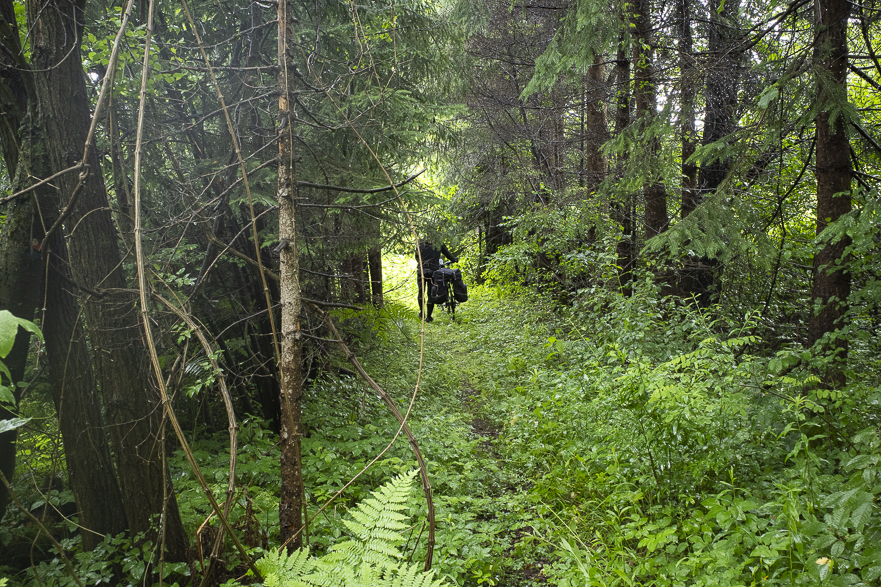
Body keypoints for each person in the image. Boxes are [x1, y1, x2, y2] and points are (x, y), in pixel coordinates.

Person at [415, 240, 457, 322]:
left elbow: (417, 256)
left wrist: (421, 263)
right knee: (430, 293)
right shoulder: (438, 242)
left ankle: (421, 313)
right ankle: (429, 317)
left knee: (421, 292)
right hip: (433, 271)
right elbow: (447, 253)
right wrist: (453, 259)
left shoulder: (420, 243)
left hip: (421, 270)